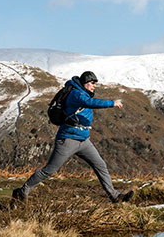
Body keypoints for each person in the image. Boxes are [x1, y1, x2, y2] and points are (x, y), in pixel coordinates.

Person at [12, 71, 133, 205]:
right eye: (92, 83)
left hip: (84, 141)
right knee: (50, 169)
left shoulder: (83, 93)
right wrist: (112, 103)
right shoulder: (76, 94)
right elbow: (89, 102)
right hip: (68, 139)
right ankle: (22, 191)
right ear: (85, 83)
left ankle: (115, 196)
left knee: (100, 165)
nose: (94, 86)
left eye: (95, 84)